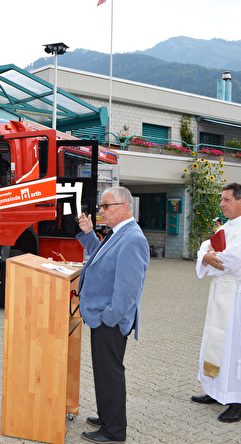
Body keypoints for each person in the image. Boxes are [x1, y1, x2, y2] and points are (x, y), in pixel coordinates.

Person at [76, 186, 150, 443]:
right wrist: (88, 234)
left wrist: (108, 318)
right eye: (100, 206)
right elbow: (101, 259)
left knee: (110, 374)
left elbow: (128, 292)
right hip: (103, 317)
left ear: (125, 207)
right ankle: (107, 415)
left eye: (106, 206)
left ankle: (114, 430)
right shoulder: (118, 233)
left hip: (110, 321)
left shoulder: (133, 239)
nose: (100, 211)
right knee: (104, 372)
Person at [192, 182, 241, 422]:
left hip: (236, 296)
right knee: (214, 340)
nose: (221, 204)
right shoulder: (226, 227)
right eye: (221, 200)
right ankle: (214, 390)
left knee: (233, 347)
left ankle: (236, 398)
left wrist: (209, 257)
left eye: (227, 200)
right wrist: (206, 255)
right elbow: (205, 247)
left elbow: (230, 261)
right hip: (220, 291)